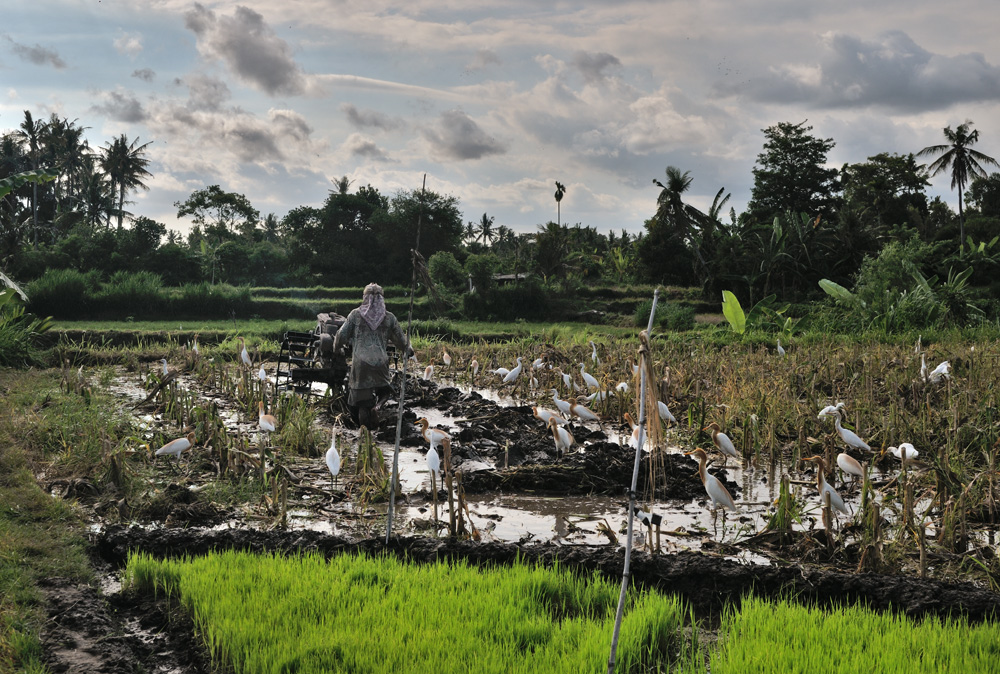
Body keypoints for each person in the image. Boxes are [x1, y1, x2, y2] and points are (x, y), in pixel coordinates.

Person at [334, 283, 413, 427]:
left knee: (356, 396)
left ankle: (361, 422)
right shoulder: (389, 318)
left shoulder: (355, 315)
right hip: (381, 363)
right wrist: (407, 350)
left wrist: (336, 347)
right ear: (382, 299)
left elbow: (341, 337)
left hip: (361, 363)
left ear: (365, 298)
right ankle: (378, 406)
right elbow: (401, 341)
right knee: (384, 390)